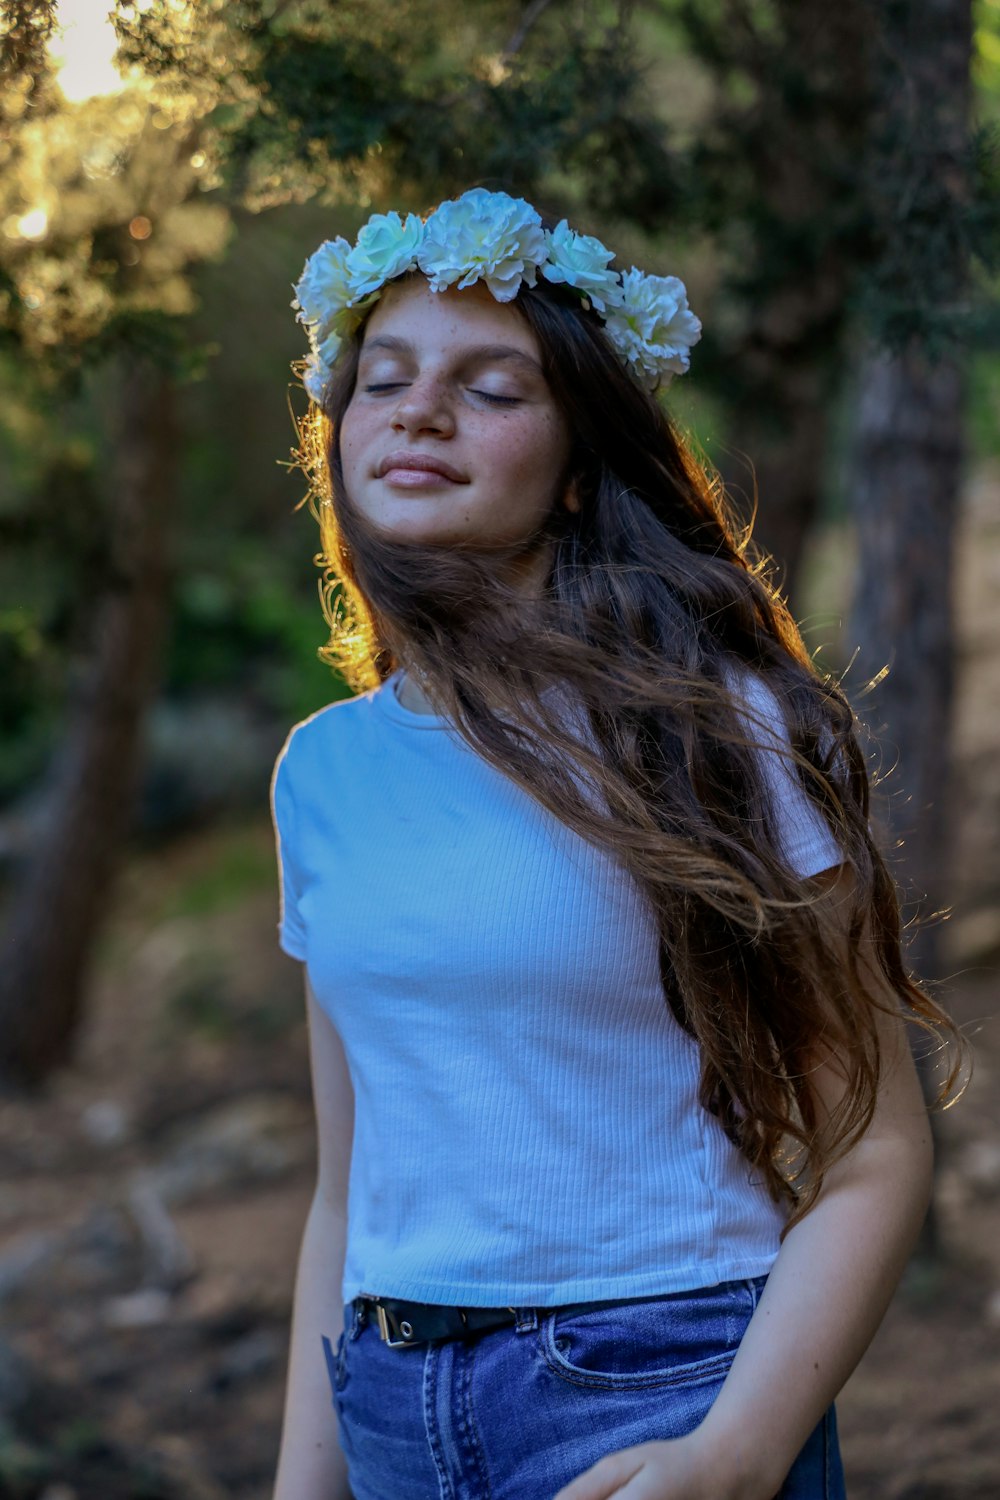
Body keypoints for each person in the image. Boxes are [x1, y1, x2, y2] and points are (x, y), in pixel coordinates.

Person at [268, 188, 962, 1500]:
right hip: (391, 1408)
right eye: (385, 377)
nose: (419, 409)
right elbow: (346, 1187)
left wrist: (732, 1459)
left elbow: (872, 1151)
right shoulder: (324, 772)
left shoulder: (721, 731)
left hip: (662, 1390)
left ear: (581, 464)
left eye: (491, 386)